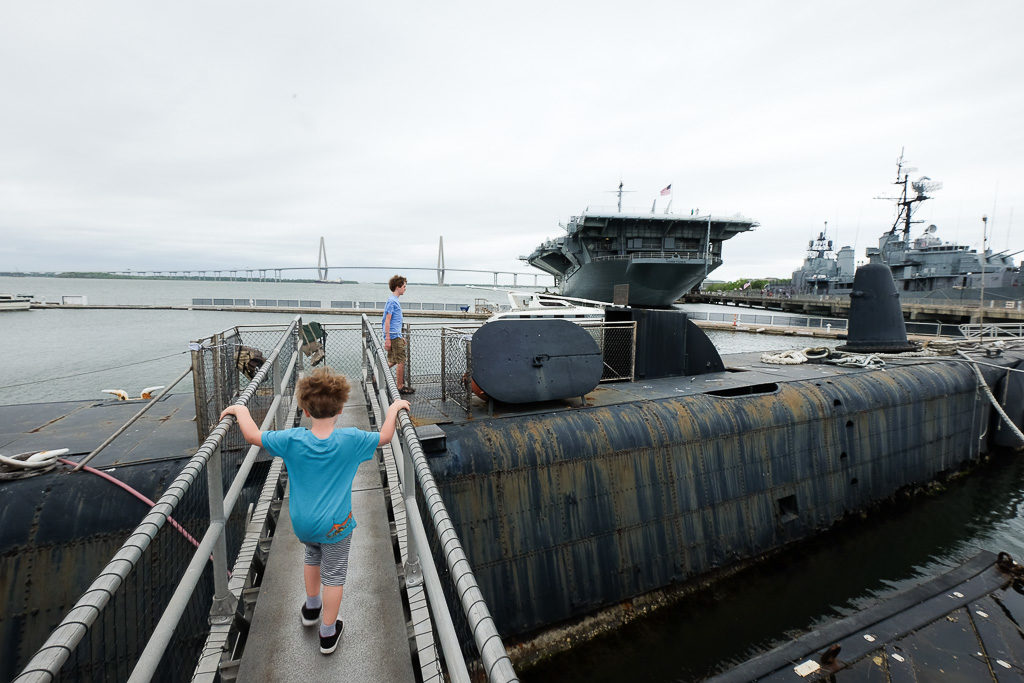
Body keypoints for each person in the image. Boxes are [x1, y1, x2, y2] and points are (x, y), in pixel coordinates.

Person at [220, 368, 410, 655]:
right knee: (334, 576)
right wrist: (394, 407)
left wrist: (238, 409)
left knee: (312, 555)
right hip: (336, 526)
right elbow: (384, 437)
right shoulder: (352, 439)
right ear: (342, 408)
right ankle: (327, 631)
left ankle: (311, 608)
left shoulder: (292, 439)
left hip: (303, 523)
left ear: (305, 410)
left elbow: (252, 435)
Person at [382, 274, 414, 395]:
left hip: (396, 335)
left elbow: (395, 321)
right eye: (404, 286)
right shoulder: (392, 302)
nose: (405, 288)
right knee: (401, 360)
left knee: (395, 360)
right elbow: (387, 320)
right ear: (397, 287)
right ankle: (400, 386)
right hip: (393, 336)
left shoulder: (394, 301)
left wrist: (400, 336)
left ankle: (376, 375)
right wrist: (388, 339)